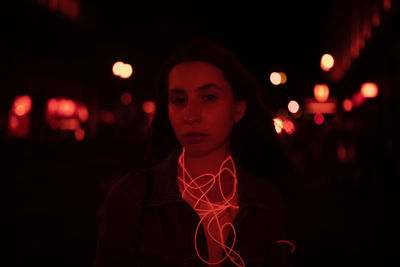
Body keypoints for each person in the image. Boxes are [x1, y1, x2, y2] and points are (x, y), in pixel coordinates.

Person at [92, 37, 293, 267]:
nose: (190, 115)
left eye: (208, 97)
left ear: (238, 109)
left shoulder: (267, 200)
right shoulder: (133, 197)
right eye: (179, 100)